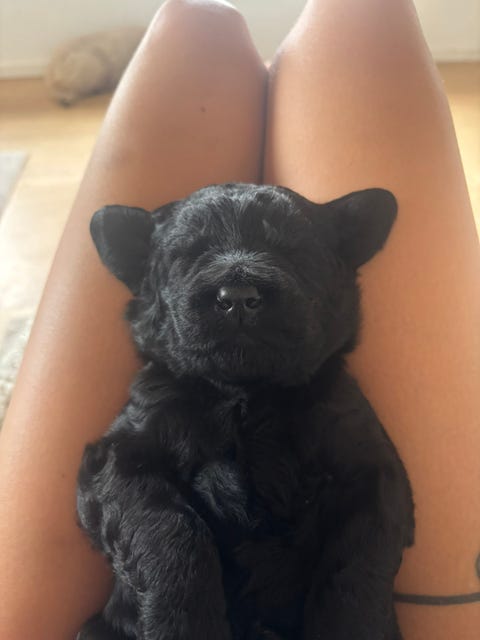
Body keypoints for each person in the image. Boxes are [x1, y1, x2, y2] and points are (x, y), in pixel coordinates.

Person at [0, 0, 478, 638]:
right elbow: (116, 477)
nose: (238, 291)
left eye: (289, 257)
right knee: (344, 19)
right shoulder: (171, 406)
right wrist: (178, 573)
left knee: (200, 30)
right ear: (146, 281)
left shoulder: (331, 409)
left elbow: (375, 497)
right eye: (194, 257)